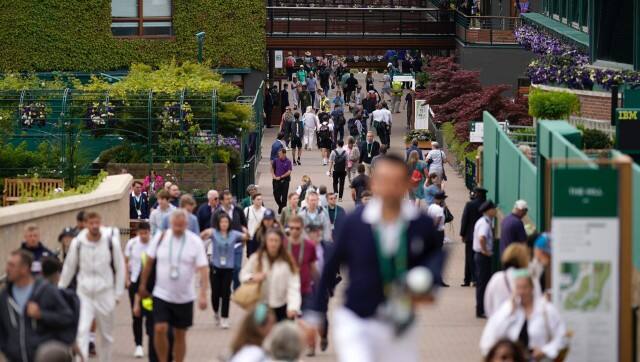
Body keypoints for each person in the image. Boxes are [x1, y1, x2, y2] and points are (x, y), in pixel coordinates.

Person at [304, 154, 442, 362]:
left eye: (396, 182)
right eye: (384, 181)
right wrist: (315, 313)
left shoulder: (420, 224)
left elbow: (435, 257)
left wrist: (431, 285)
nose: (389, 188)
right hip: (357, 321)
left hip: (400, 322)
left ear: (407, 184)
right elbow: (330, 265)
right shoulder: (354, 223)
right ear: (374, 184)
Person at [138, 209, 209, 362]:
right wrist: (142, 284)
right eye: (175, 224)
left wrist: (203, 293)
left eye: (181, 225)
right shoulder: (160, 238)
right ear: (170, 223)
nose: (178, 227)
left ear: (186, 224)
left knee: (180, 333)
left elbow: (203, 269)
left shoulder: (194, 241)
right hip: (161, 293)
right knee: (159, 328)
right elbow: (149, 263)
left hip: (185, 296)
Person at [59, 211, 126, 362]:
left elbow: (120, 267)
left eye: (97, 223)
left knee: (106, 335)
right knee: (82, 332)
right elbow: (69, 267)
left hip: (105, 293)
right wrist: (60, 290)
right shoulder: (78, 243)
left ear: (100, 222)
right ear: (86, 224)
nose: (95, 226)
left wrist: (118, 293)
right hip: (85, 294)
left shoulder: (110, 242)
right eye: (91, 223)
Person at [0, 250, 74, 362]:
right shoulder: (5, 296)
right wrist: (8, 350)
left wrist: (41, 314)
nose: (7, 269)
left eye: (12, 265)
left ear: (24, 269)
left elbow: (67, 318)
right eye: (8, 264)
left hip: (44, 357)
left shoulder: (46, 291)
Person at [480, 271, 568, 360]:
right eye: (518, 288)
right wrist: (510, 314)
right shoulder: (507, 310)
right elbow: (492, 335)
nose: (521, 292)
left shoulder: (546, 310)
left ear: (532, 288)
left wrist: (544, 351)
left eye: (525, 287)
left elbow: (562, 336)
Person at [240, 228, 301, 322]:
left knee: (283, 335)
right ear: (266, 242)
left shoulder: (287, 262)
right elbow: (242, 275)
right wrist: (253, 277)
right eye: (271, 240)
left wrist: (293, 307)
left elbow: (293, 286)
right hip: (262, 307)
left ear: (281, 243)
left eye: (276, 241)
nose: (273, 244)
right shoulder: (256, 258)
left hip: (282, 306)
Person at [284, 216, 318, 356]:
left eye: (297, 228)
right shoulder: (283, 245)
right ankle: (290, 347)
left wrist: (321, 286)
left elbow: (312, 266)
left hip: (305, 288)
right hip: (288, 290)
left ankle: (311, 346)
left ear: (302, 228)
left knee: (308, 320)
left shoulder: (309, 245)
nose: (294, 231)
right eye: (291, 228)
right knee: (289, 322)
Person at [209, 213, 247, 329]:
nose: (224, 224)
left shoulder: (234, 234)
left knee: (226, 293)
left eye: (226, 222)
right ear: (218, 223)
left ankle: (225, 318)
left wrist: (246, 232)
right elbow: (202, 236)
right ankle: (216, 311)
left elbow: (246, 237)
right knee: (215, 293)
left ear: (229, 223)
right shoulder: (213, 233)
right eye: (222, 222)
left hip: (228, 268)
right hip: (215, 267)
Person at [484, 244, 539, 318]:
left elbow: (488, 307)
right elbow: (538, 302)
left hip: (500, 324)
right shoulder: (531, 279)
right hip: (525, 324)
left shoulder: (496, 278)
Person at [124, 221, 153, 358]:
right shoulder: (132, 244)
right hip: (135, 282)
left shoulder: (155, 243)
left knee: (151, 313)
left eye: (146, 233)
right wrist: (127, 280)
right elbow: (125, 261)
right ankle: (138, 345)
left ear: (149, 232)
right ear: (137, 233)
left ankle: (150, 334)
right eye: (141, 233)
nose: (143, 236)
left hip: (151, 284)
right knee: (137, 315)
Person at [459, 186, 488, 287]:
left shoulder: (470, 204)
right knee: (479, 258)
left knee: (469, 258)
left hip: (470, 236)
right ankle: (476, 278)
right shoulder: (486, 205)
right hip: (483, 235)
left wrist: (462, 233)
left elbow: (465, 219)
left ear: (476, 194)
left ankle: (468, 279)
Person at [473, 200, 497, 319]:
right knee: (483, 283)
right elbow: (482, 238)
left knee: (483, 282)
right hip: (482, 256)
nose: (495, 211)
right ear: (489, 210)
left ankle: (481, 308)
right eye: (494, 209)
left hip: (481, 256)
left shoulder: (484, 221)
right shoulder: (484, 223)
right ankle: (480, 309)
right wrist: (485, 251)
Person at [272, 148, 293, 214]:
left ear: (284, 154)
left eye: (280, 154)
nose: (279, 155)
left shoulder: (288, 161)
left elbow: (289, 172)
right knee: (276, 195)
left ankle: (284, 211)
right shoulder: (276, 160)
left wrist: (281, 177)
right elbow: (272, 168)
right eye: (278, 154)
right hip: (276, 180)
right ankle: (280, 206)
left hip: (285, 180)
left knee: (284, 196)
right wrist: (274, 176)